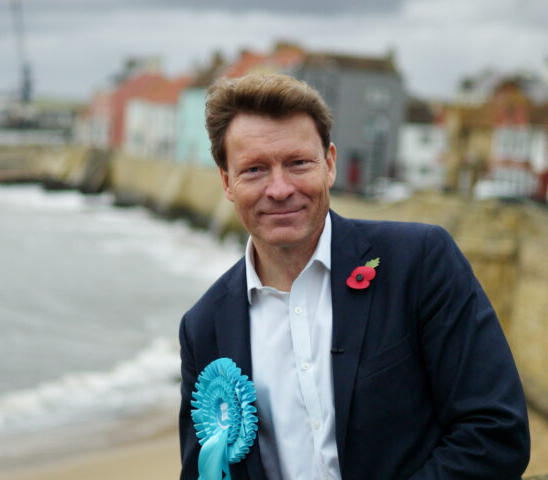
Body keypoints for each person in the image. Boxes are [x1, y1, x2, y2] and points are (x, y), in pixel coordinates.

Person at [178, 73, 530, 479]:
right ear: (226, 182)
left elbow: (496, 433)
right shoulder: (203, 326)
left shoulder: (419, 262)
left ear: (329, 164)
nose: (279, 188)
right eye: (254, 169)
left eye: (297, 163)